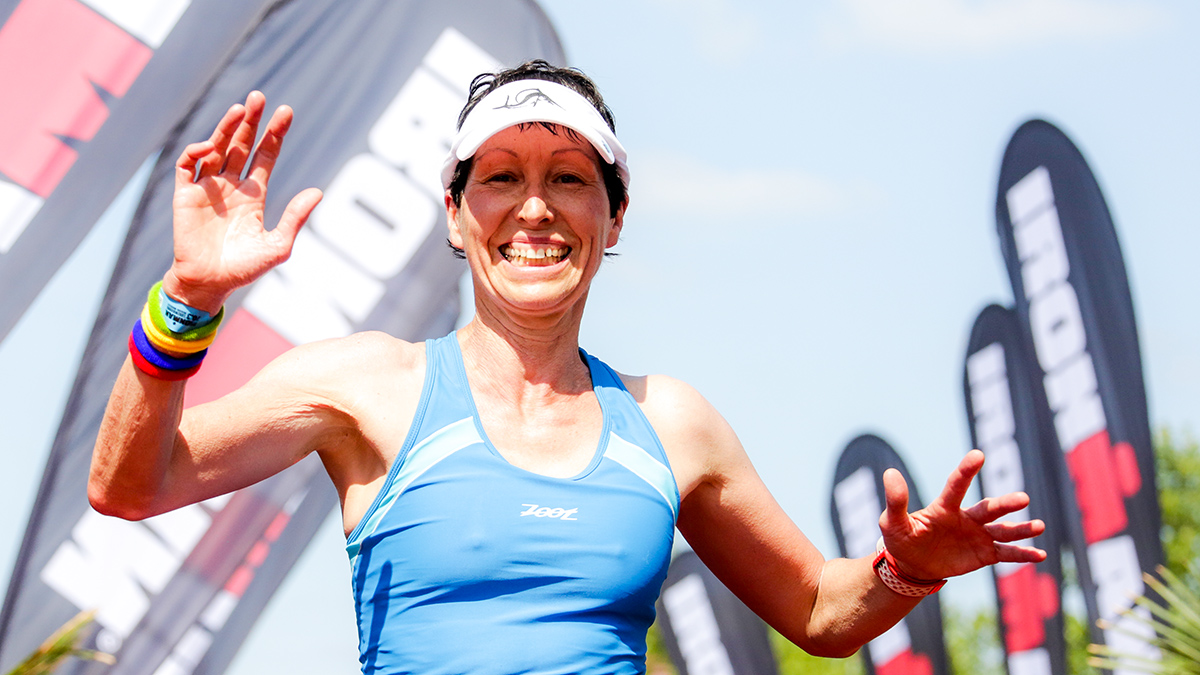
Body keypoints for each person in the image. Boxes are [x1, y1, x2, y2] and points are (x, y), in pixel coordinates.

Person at [90, 61, 1046, 674]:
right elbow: (131, 485)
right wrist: (188, 299)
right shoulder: (369, 385)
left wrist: (903, 573)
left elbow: (817, 610)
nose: (536, 208)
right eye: (501, 176)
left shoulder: (670, 422)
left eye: (570, 179)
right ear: (456, 214)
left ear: (613, 217)